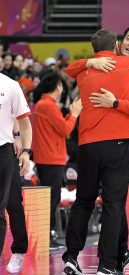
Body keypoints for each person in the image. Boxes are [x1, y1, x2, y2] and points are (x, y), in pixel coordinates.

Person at [61, 29, 129, 275]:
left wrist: (115, 102)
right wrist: (90, 61)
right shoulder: (125, 65)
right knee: (114, 205)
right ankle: (112, 260)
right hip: (118, 143)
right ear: (119, 44)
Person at [32, 72, 82, 249]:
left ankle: (48, 235)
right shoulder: (48, 106)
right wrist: (74, 114)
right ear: (58, 87)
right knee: (51, 199)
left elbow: (60, 127)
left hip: (48, 158)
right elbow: (66, 130)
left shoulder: (43, 104)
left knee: (52, 198)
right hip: (50, 158)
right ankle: (47, 237)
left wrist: (70, 113)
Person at [0, 73, 32, 266]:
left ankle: (19, 249)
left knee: (11, 203)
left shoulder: (10, 86)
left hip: (4, 149)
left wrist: (26, 150)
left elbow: (24, 123)